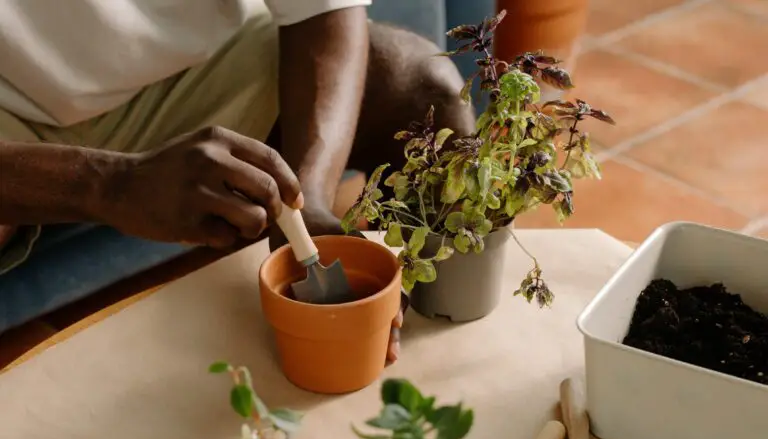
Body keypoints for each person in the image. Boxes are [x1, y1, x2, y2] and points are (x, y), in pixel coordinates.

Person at [0, 0, 476, 359]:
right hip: (12, 103)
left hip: (194, 62)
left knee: (425, 92)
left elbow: (322, 10)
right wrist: (109, 184)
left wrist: (306, 196)